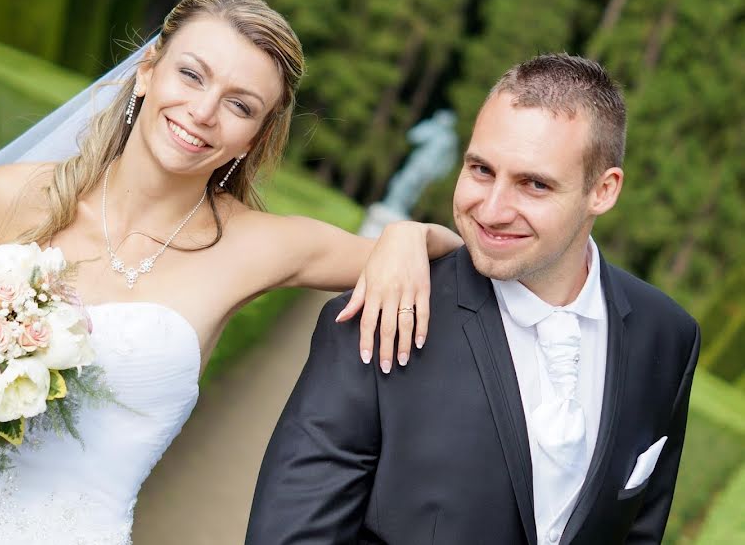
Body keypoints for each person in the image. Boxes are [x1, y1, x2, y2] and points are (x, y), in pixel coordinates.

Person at [0, 0, 464, 543]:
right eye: (191, 75)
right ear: (146, 71)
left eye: (240, 106)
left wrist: (406, 237)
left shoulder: (259, 246)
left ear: (255, 136)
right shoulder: (11, 198)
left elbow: (461, 254)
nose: (203, 111)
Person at [247, 54, 700, 545]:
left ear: (603, 191)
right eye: (482, 169)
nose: (492, 209)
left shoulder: (668, 337)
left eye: (534, 184)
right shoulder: (374, 319)